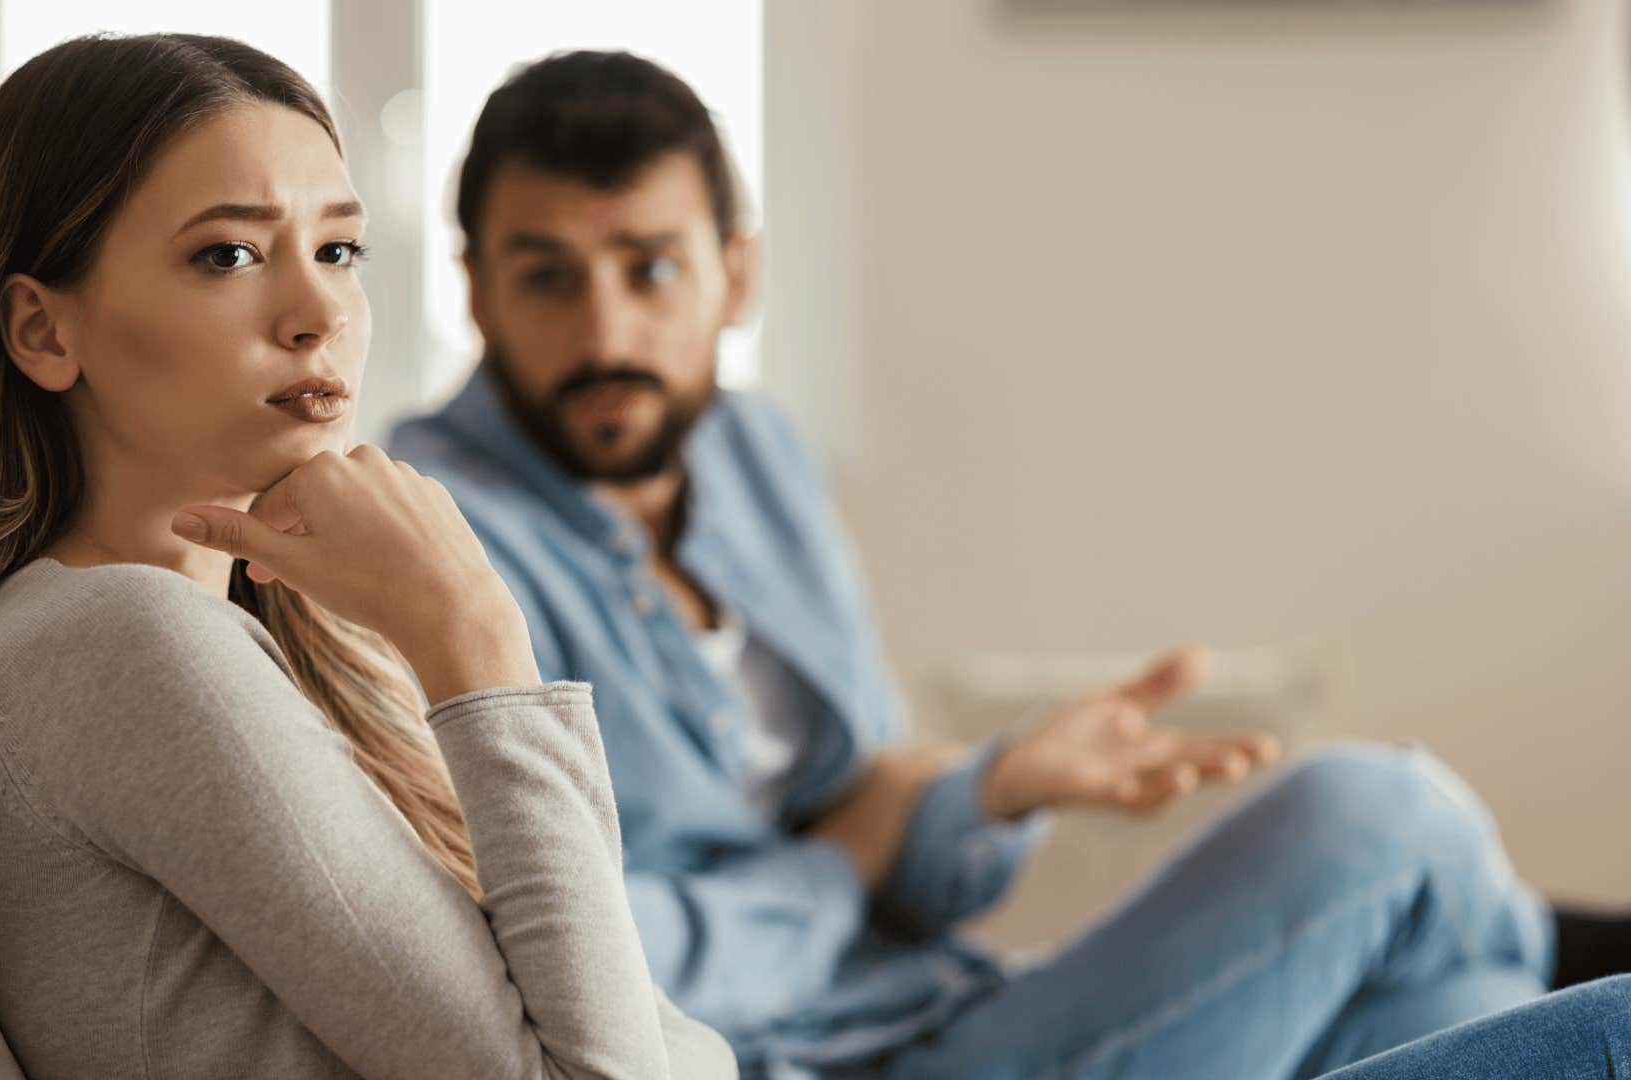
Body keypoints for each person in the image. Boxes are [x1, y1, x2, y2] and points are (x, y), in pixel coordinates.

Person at [387, 49, 1631, 1078]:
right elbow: (574, 957)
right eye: (547, 277)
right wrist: (848, 858)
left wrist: (987, 794)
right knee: (1381, 814)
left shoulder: (756, 456)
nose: (605, 331)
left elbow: (901, 863)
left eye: (651, 268)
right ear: (479, 294)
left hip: (951, 1008)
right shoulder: (431, 539)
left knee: (1452, 1004)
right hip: (807, 1065)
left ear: (737, 274)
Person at [0, 34, 735, 1079]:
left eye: (339, 251)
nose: (318, 317)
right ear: (42, 331)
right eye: (230, 254)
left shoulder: (257, 641)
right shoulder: (125, 645)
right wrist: (475, 633)